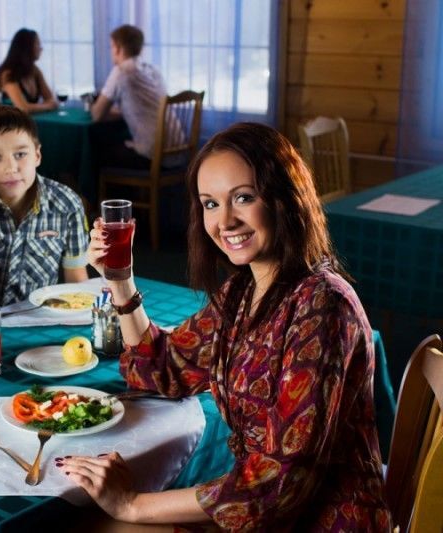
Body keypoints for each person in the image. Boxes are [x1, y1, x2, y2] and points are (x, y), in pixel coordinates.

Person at [60, 123, 392, 530]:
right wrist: (120, 280)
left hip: (320, 521)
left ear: (286, 197)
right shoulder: (243, 290)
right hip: (259, 511)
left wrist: (132, 504)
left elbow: (279, 481)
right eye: (210, 204)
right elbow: (163, 369)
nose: (225, 221)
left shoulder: (322, 305)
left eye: (244, 198)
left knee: (99, 525)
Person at [0, 105, 89, 311]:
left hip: (40, 318)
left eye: (20, 154)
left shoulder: (67, 204)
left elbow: (76, 280)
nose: (11, 168)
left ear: (37, 155)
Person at [91, 24, 168, 169]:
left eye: (111, 47)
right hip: (175, 153)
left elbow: (96, 115)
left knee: (93, 152)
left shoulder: (121, 71)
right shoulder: (152, 70)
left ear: (118, 48)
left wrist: (92, 105)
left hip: (152, 157)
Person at [0, 28, 58, 113]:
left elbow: (51, 100)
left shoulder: (35, 70)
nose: (41, 48)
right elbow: (22, 108)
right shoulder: (7, 74)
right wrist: (47, 106)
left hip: (29, 119)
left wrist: (46, 105)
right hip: (8, 120)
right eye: (37, 44)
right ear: (27, 48)